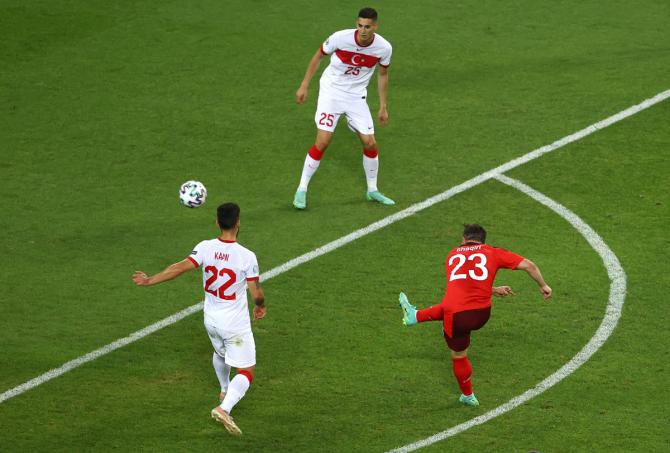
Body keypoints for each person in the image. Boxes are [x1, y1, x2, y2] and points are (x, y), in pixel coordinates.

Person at [132, 203, 266, 435]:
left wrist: (150, 280)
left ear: (217, 222)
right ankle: (224, 408)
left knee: (221, 353)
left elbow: (180, 267)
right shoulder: (246, 256)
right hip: (234, 324)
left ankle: (224, 388)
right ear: (238, 223)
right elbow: (256, 292)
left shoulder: (205, 247)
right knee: (246, 369)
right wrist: (260, 307)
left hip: (210, 320)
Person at [398, 224, 552, 406]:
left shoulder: (452, 255)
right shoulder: (493, 252)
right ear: (482, 240)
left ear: (464, 239)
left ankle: (468, 396)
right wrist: (543, 286)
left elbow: (464, 285)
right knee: (453, 307)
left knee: (458, 354)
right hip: (482, 314)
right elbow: (529, 265)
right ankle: (415, 316)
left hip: (457, 315)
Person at [293, 7, 395, 209]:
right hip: (331, 92)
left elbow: (382, 75)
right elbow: (318, 56)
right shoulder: (340, 38)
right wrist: (304, 85)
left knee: (370, 143)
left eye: (367, 27)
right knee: (323, 141)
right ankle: (301, 189)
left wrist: (383, 106)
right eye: (360, 25)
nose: (363, 30)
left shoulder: (384, 48)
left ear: (375, 26)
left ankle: (372, 190)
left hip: (356, 97)